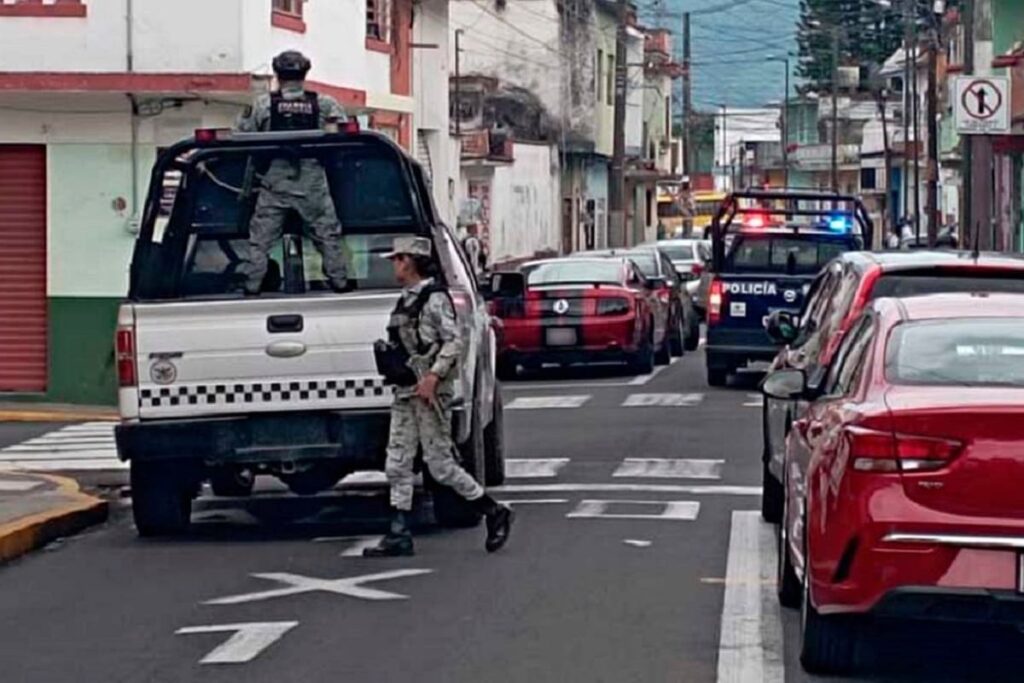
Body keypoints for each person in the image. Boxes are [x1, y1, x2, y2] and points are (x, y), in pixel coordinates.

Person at [365, 236, 514, 557]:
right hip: (407, 390)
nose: (394, 265)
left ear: (410, 261)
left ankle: (493, 510)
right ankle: (398, 531)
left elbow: (454, 341)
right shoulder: (407, 299)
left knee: (440, 465)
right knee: (398, 462)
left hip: (428, 392)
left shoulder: (434, 299)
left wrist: (432, 377)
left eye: (398, 259)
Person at [235, 50, 350, 295]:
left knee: (260, 241)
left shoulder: (263, 104)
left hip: (274, 180)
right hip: (312, 180)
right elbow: (344, 139)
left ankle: (251, 286)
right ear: (305, 74)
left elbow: (241, 138)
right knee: (327, 235)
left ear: (277, 75)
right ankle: (340, 282)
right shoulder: (324, 104)